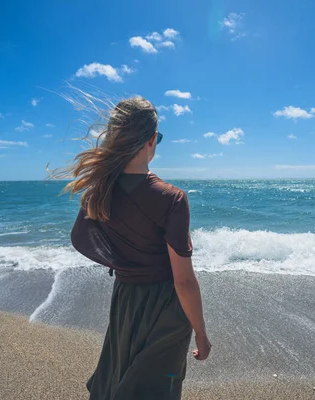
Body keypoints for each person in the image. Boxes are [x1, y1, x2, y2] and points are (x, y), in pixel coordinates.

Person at [65, 96, 211, 399]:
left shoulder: (101, 190)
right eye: (158, 137)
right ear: (150, 140)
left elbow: (84, 236)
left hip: (125, 300)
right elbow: (183, 281)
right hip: (165, 306)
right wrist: (201, 331)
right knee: (157, 387)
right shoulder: (172, 198)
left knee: (121, 378)